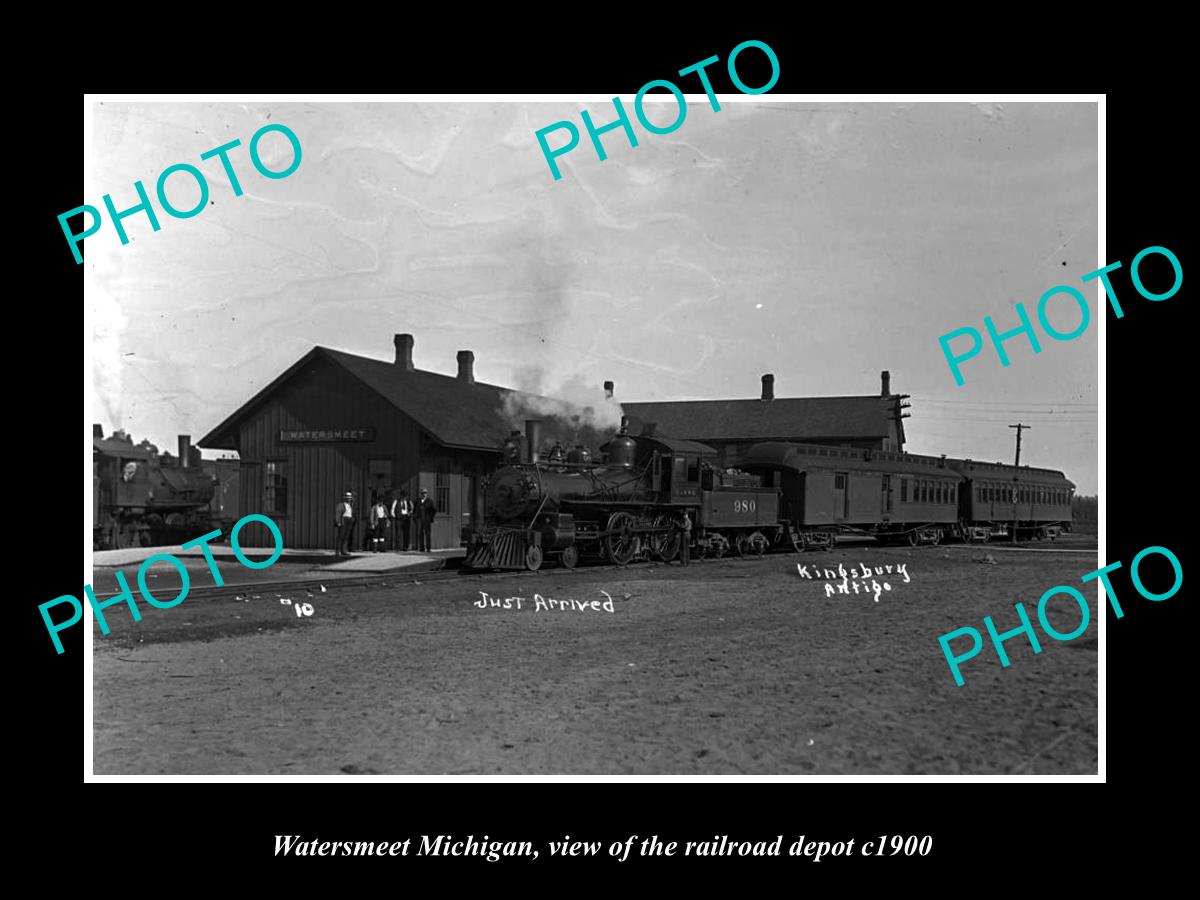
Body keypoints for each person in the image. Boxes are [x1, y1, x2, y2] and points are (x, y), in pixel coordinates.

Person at [334, 491, 355, 556]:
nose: (349, 499)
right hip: (344, 520)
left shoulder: (351, 505)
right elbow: (338, 513)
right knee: (341, 536)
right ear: (345, 498)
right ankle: (337, 551)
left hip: (349, 520)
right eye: (348, 498)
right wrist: (338, 522)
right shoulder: (341, 505)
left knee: (346, 536)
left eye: (350, 498)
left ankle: (344, 550)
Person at [417, 487, 438, 552]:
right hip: (420, 519)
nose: (424, 494)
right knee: (420, 534)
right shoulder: (417, 501)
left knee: (427, 534)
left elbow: (434, 510)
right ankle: (421, 548)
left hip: (427, 520)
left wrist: (431, 517)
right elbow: (415, 509)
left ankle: (428, 548)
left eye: (425, 493)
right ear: (420, 494)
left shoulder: (430, 501)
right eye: (423, 493)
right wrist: (416, 517)